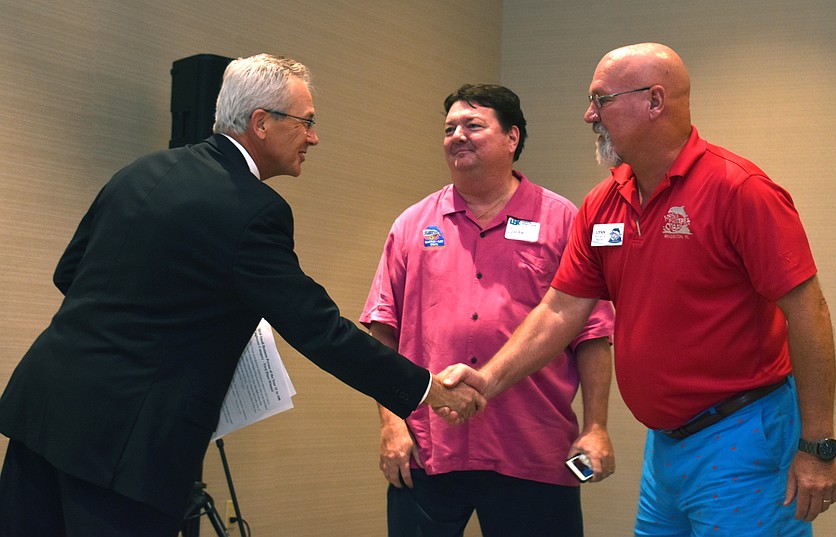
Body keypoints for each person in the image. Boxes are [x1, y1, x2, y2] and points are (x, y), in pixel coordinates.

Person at [0, 54, 483, 537]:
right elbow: (318, 329)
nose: (313, 137)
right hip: (124, 446)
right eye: (307, 122)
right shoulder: (253, 210)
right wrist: (427, 388)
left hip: (41, 411)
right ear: (261, 123)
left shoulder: (140, 172)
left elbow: (71, 274)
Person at [444, 43, 836, 535]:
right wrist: (489, 380)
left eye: (601, 100)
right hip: (665, 445)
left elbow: (809, 312)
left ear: (655, 101)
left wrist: (818, 445)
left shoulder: (740, 190)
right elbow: (562, 307)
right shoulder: (604, 201)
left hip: (746, 436)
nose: (589, 114)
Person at [360, 84, 616, 536]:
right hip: (428, 450)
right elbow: (383, 333)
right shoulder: (412, 225)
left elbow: (592, 334)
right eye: (449, 128)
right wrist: (392, 424)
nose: (458, 135)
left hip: (533, 450)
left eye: (473, 125)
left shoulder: (561, 221)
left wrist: (596, 426)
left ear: (512, 137)